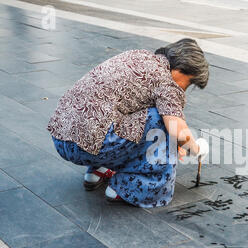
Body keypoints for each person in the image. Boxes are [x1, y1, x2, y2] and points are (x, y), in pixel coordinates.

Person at [47, 38, 209, 208]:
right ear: (180, 69)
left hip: (61, 135)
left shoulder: (139, 56)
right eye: (189, 83)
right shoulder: (166, 82)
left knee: (122, 114)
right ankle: (127, 189)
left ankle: (98, 170)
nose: (185, 89)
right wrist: (197, 149)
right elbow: (178, 131)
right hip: (87, 146)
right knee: (161, 122)